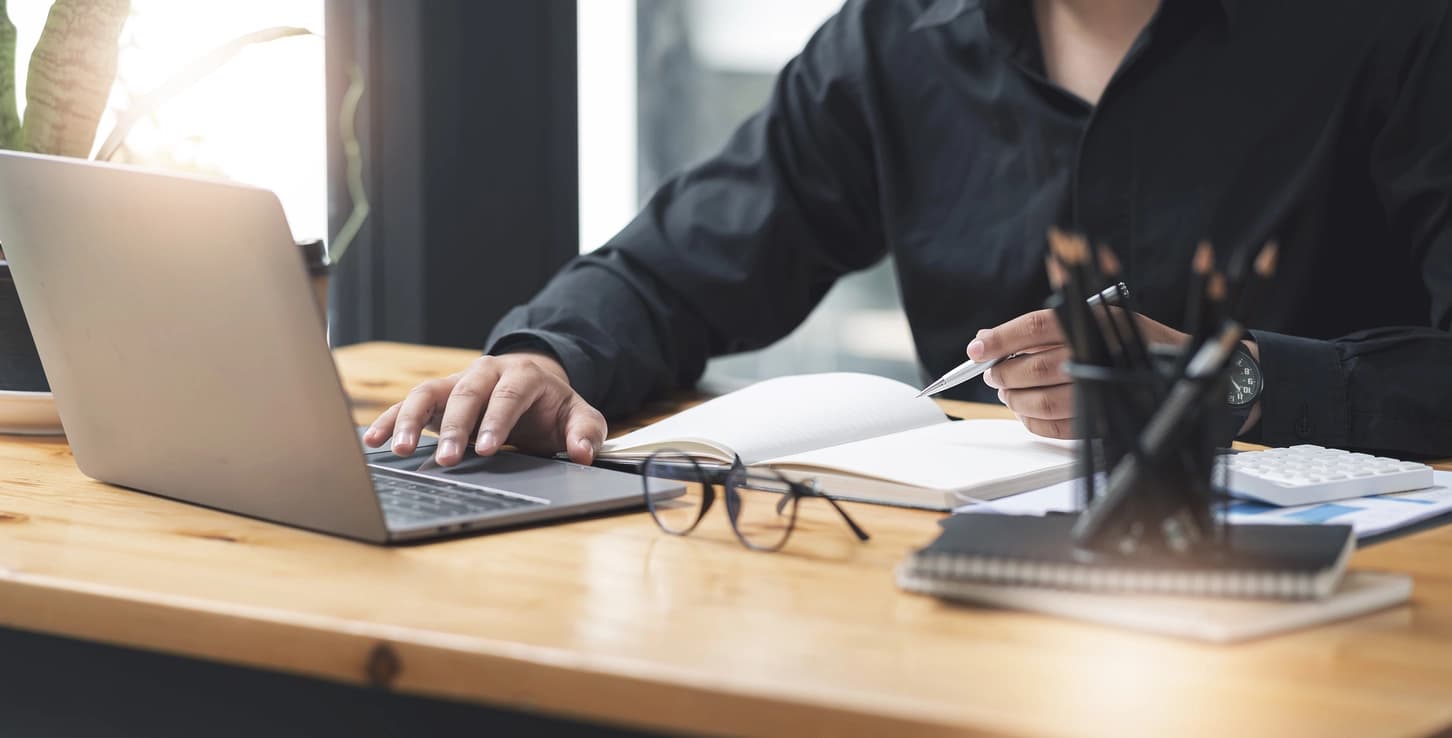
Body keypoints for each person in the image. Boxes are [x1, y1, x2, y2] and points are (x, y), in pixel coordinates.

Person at [366, 0, 1452, 467]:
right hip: (964, 604)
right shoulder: (896, 38)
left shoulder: (1397, 27)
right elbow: (681, 265)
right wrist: (547, 357)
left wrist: (1238, 380)